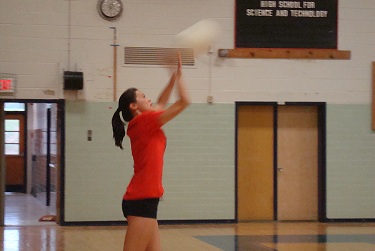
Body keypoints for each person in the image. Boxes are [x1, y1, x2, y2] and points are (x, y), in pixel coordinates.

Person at [111, 51, 190, 251]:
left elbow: (162, 103)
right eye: (143, 97)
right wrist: (179, 78)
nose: (149, 99)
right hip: (141, 200)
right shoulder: (144, 122)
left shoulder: (141, 122)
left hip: (144, 200)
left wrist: (173, 76)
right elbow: (184, 102)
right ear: (134, 106)